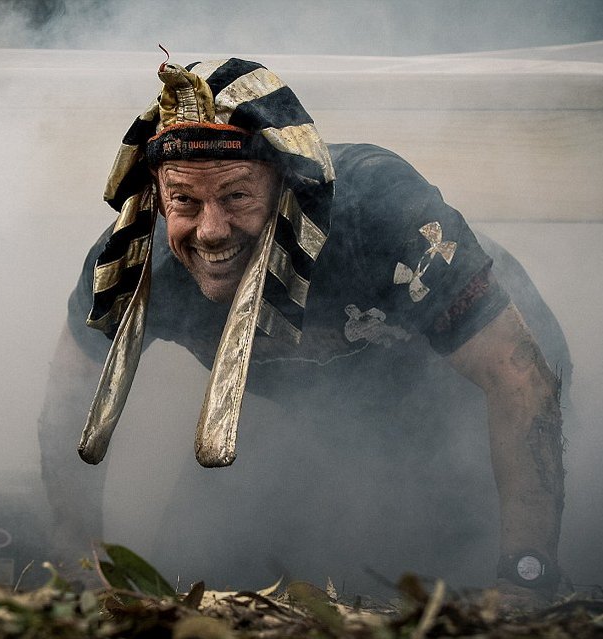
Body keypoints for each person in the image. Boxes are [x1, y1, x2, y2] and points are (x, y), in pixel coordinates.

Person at [39, 57, 569, 606]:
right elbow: (70, 390)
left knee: (432, 585)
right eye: (185, 202)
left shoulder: (381, 215)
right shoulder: (140, 257)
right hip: (304, 407)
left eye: (237, 196)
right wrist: (75, 554)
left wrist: (526, 575)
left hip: (462, 404)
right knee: (197, 571)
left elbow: (519, 380)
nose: (211, 231)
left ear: (287, 187)